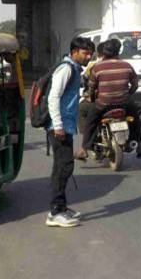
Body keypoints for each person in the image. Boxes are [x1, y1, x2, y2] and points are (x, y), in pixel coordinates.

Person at [46, 36, 93, 228]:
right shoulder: (66, 69)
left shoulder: (74, 68)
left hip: (65, 126)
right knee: (63, 168)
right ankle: (55, 212)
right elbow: (53, 97)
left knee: (63, 167)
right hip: (59, 127)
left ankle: (62, 207)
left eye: (90, 53)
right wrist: (58, 125)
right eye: (85, 53)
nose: (88, 57)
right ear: (74, 52)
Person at [77, 38, 141, 160]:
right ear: (118, 51)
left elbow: (91, 88)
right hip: (124, 103)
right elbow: (135, 85)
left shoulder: (97, 68)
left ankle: (84, 148)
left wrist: (92, 98)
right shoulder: (127, 66)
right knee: (135, 117)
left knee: (85, 113)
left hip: (103, 104)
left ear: (103, 52)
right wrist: (127, 94)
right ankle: (138, 143)